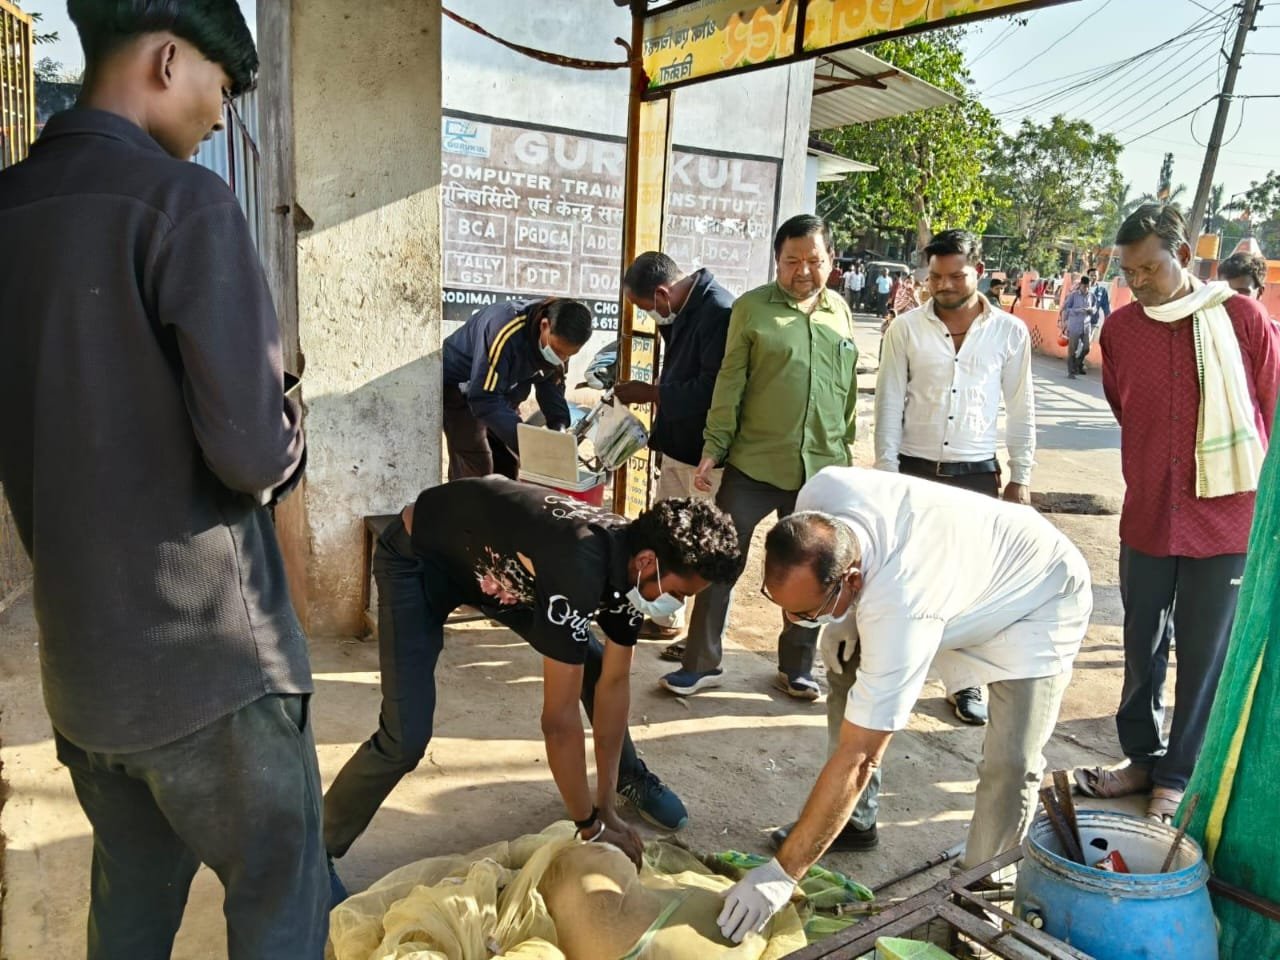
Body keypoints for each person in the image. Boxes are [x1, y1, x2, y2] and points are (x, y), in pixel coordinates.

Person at [0, 2, 328, 956]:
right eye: (220, 90)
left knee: (131, 908)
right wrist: (289, 414)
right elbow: (252, 455)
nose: (220, 116)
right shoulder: (185, 205)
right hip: (213, 670)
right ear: (168, 58)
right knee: (279, 904)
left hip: (85, 676)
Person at [719, 467, 1090, 944]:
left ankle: (977, 896)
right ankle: (853, 820)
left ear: (851, 580)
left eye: (806, 612)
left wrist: (782, 874)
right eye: (783, 605)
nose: (793, 620)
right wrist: (839, 619)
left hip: (1036, 595)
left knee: (1011, 762)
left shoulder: (902, 607)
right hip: (954, 578)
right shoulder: (822, 493)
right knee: (848, 661)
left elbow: (861, 756)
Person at [324, 480, 742, 883]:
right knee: (405, 735)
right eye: (679, 591)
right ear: (648, 562)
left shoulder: (631, 572)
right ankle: (313, 851)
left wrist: (604, 805)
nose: (678, 603)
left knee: (595, 667)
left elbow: (614, 686)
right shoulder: (580, 564)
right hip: (418, 558)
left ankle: (625, 781)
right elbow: (558, 722)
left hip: (498, 573)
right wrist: (590, 827)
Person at [1077, 204, 1280, 823]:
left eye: (1148, 268)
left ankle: (1179, 772)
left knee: (1203, 652)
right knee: (1141, 643)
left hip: (1226, 521)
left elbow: (1270, 408)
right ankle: (1141, 756)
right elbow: (1124, 406)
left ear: (1184, 257)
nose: (1136, 282)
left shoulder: (1241, 318)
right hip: (1148, 514)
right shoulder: (1120, 331)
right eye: (1128, 271)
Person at [660, 215, 859, 701]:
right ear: (778, 261)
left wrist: (847, 452)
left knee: (817, 569)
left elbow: (848, 390)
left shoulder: (840, 312)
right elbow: (730, 383)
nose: (804, 271)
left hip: (820, 470)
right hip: (754, 463)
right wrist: (713, 448)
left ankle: (796, 667)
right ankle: (701, 662)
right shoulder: (751, 309)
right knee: (720, 559)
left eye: (814, 260)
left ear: (831, 261)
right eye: (792, 261)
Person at [875, 228, 1036, 731]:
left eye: (956, 275)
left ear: (979, 271)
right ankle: (897, 672)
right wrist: (886, 473)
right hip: (915, 469)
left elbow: (1021, 407)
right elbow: (888, 404)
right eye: (936, 276)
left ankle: (965, 683)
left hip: (977, 474)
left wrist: (1021, 476)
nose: (944, 285)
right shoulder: (905, 329)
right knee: (905, 576)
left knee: (970, 583)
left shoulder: (1010, 332)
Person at [612, 251, 734, 644]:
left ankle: (697, 641)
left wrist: (650, 393)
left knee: (698, 543)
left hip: (704, 453)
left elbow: (711, 389)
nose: (651, 315)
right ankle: (666, 617)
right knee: (668, 534)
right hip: (678, 446)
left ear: (663, 294)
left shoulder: (718, 311)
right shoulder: (684, 310)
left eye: (647, 308)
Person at [442, 297, 593, 480]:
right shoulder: (504, 330)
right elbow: (483, 398)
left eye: (568, 355)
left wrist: (558, 427)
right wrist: (527, 445)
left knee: (507, 463)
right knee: (477, 464)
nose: (561, 358)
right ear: (544, 326)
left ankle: (498, 508)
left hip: (500, 392)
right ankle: (462, 507)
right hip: (462, 388)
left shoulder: (557, 344)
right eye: (557, 351)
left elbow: (549, 384)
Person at [1059, 275, 1099, 378]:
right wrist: (1077, 311)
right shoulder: (1073, 295)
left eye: (1088, 286)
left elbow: (1095, 308)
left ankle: (1077, 363)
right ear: (1081, 285)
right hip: (1074, 325)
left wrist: (1091, 310)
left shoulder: (1091, 296)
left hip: (1086, 325)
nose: (1086, 288)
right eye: (1084, 286)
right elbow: (1065, 309)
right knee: (1073, 349)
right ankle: (1071, 371)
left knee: (1087, 348)